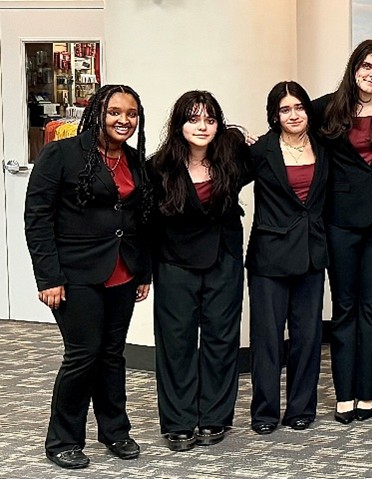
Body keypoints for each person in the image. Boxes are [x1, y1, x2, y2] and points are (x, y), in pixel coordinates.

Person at [26, 85, 151, 469]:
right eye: (115, 112)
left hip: (122, 271)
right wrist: (48, 277)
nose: (123, 121)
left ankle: (114, 431)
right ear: (97, 111)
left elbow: (139, 220)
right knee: (83, 355)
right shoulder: (61, 154)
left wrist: (143, 271)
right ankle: (63, 439)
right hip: (74, 272)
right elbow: (38, 218)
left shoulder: (134, 160)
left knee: (112, 354)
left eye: (131, 114)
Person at [149, 91, 251, 451]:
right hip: (174, 264)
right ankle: (177, 422)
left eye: (210, 119)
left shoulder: (232, 161)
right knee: (176, 344)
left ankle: (213, 418)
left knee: (221, 341)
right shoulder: (158, 167)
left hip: (222, 261)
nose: (202, 126)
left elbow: (265, 149)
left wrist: (239, 136)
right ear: (179, 125)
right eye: (194, 119)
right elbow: (144, 224)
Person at [313, 39, 372, 423]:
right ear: (354, 67)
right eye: (368, 66)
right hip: (341, 219)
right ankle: (344, 395)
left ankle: (368, 393)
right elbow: (285, 132)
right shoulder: (324, 107)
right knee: (345, 307)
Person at [248, 81, 329, 435]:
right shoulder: (260, 150)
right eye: (285, 109)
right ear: (274, 115)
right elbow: (220, 179)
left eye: (299, 107)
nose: (293, 115)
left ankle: (300, 408)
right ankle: (265, 412)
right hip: (270, 256)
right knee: (267, 338)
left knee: (307, 337)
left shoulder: (324, 148)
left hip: (311, 254)